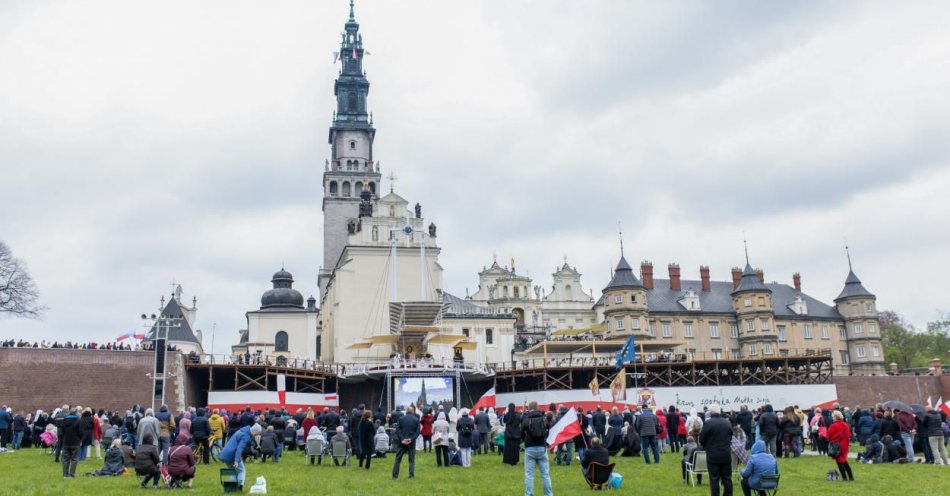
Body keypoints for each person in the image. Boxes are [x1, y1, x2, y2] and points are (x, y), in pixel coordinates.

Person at [699, 404, 734, 496]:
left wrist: (707, 446)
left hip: (712, 454)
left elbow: (701, 439)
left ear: (711, 412)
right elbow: (730, 437)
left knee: (714, 479)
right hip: (726, 453)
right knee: (727, 478)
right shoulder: (727, 423)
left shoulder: (708, 423)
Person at [521, 401, 553, 496]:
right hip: (541, 447)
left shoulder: (526, 420)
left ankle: (528, 494)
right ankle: (548, 494)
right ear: (538, 407)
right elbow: (548, 431)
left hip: (530, 448)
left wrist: (526, 441)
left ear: (529, 408)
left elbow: (522, 434)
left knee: (529, 475)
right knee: (545, 475)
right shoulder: (543, 419)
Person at [219, 423, 261, 492]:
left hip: (225, 453)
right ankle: (240, 487)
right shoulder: (246, 435)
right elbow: (239, 448)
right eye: (257, 433)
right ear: (255, 431)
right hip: (232, 454)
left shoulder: (242, 431)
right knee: (241, 470)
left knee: (234, 471)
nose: (257, 435)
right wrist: (236, 460)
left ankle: (231, 489)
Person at [392, 404, 421, 479]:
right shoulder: (416, 419)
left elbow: (397, 430)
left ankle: (395, 476)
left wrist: (402, 439)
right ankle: (411, 476)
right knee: (411, 460)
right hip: (411, 442)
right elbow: (417, 432)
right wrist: (411, 439)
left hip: (402, 442)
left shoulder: (401, 419)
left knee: (398, 459)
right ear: (413, 411)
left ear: (406, 411)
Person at [826, 410, 853, 481]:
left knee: (839, 461)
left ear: (835, 417)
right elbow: (849, 435)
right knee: (844, 461)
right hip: (845, 445)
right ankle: (851, 477)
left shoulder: (834, 425)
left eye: (833, 417)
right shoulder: (845, 425)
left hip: (837, 445)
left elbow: (828, 436)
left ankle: (844, 478)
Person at [61, 407, 83, 479]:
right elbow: (81, 432)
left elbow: (62, 432)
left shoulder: (64, 420)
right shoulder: (78, 421)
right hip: (76, 442)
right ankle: (72, 474)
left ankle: (65, 475)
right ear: (76, 412)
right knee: (74, 459)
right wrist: (80, 439)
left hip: (66, 442)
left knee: (65, 459)